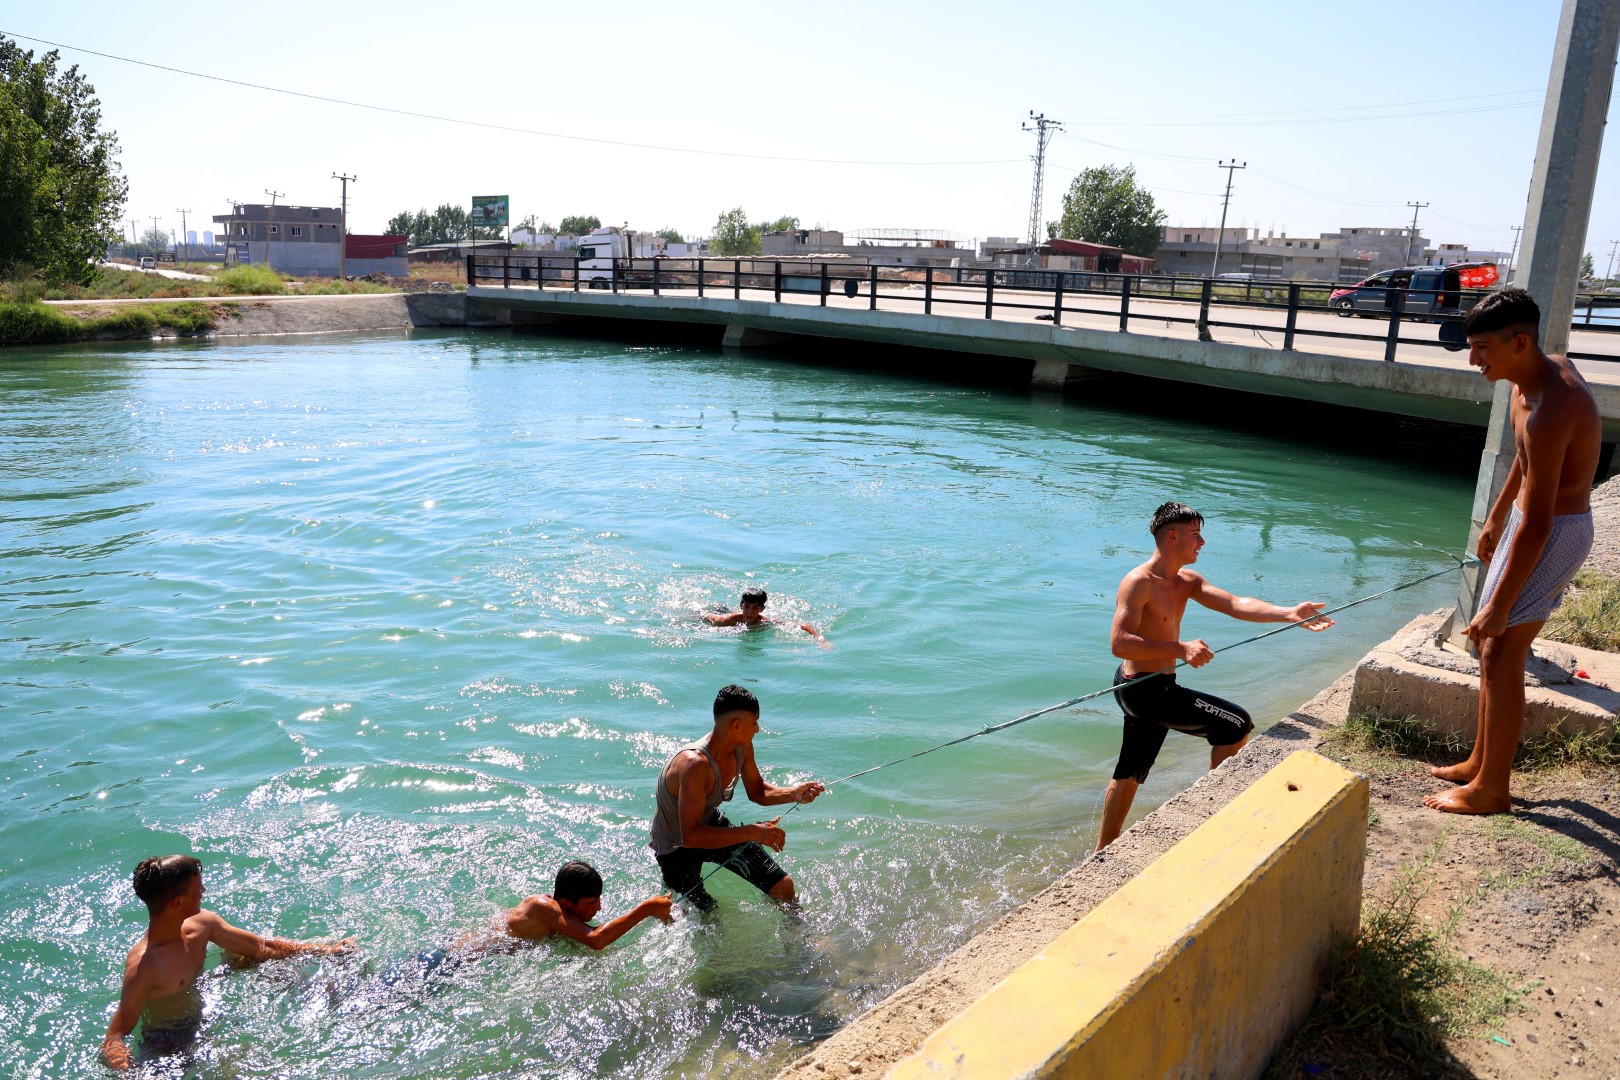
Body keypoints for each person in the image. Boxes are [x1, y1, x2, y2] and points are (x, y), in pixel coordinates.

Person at [1425, 288, 1601, 815]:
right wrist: (1498, 516)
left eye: (1482, 348)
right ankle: (1480, 762)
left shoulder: (1555, 408)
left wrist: (1499, 603)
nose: (1474, 359)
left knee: (1501, 648)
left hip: (1554, 531)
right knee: (1488, 648)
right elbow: (1527, 460)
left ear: (1519, 342)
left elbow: (1544, 519)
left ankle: (1491, 790)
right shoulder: (1528, 382)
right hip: (1526, 522)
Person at [1095, 502, 1335, 851]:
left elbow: (1235, 604)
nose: (1202, 542)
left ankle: (1102, 850)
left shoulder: (1186, 581)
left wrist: (1288, 613)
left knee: (1131, 769)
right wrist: (1181, 649)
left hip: (1153, 687)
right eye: (1196, 535)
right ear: (1173, 536)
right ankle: (1219, 819)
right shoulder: (1138, 582)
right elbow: (1119, 643)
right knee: (1235, 724)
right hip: (1143, 690)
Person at [101, 855, 353, 1070]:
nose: (204, 892)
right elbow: (115, 1034)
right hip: (171, 1042)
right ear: (177, 902)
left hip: (208, 1011)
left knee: (261, 963)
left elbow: (261, 947)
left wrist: (328, 950)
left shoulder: (202, 924)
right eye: (197, 888)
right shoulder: (145, 966)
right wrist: (128, 1070)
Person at [649, 684, 824, 911]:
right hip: (675, 846)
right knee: (708, 911)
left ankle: (798, 943)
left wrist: (794, 793)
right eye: (754, 723)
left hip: (708, 823)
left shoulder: (742, 746)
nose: (758, 729)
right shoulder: (694, 765)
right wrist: (755, 832)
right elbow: (690, 836)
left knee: (783, 886)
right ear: (737, 725)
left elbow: (758, 791)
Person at [704, 588, 823, 640]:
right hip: (718, 611)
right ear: (741, 606)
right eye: (746, 607)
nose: (750, 612)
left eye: (755, 608)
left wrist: (820, 639)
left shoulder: (766, 622)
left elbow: (805, 626)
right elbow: (705, 616)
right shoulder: (727, 620)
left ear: (762, 609)